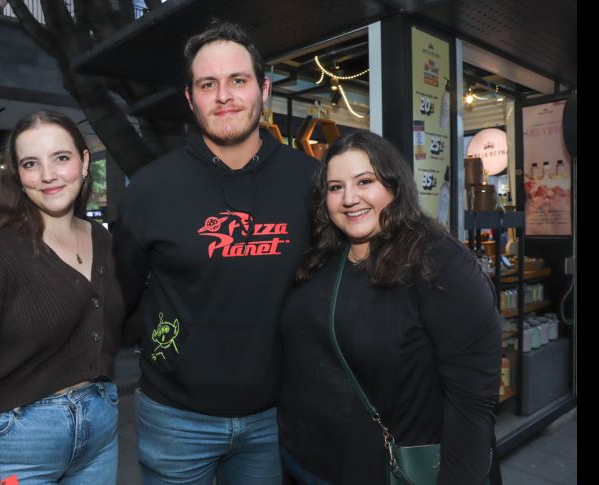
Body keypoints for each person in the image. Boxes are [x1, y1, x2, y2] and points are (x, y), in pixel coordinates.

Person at [113, 21, 318, 485]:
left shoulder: (312, 182)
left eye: (238, 81)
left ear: (263, 89)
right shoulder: (150, 190)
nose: (224, 95)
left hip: (278, 415)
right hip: (174, 418)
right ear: (191, 98)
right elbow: (117, 296)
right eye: (209, 84)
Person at [277, 131, 501, 484]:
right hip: (299, 461)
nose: (350, 198)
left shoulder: (440, 263)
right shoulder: (323, 256)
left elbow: (472, 403)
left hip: (378, 471)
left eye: (364, 181)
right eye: (335, 187)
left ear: (394, 186)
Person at [0, 110, 125, 485]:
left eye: (61, 158)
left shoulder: (104, 240)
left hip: (100, 430)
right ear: (17, 174)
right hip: (16, 446)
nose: (48, 175)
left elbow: (114, 326)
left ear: (83, 161)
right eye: (32, 163)